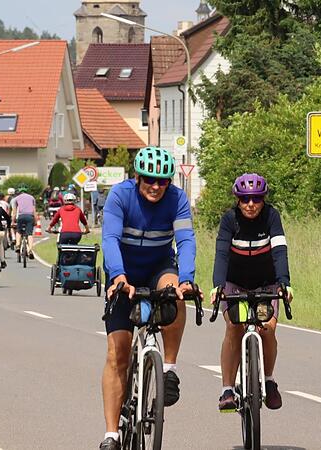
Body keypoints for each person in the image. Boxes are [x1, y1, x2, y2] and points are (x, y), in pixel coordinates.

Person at [99, 147, 196, 450]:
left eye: (163, 181)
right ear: (138, 177)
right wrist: (118, 276)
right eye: (150, 180)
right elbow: (110, 239)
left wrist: (187, 278)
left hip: (158, 267)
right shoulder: (120, 196)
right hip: (123, 272)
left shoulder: (177, 199)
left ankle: (169, 369)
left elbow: (186, 239)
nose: (156, 186)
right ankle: (112, 434)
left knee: (175, 294)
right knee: (118, 355)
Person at [212, 173, 292, 413]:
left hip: (266, 283)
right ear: (237, 200)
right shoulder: (229, 219)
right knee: (234, 328)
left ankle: (269, 380)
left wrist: (284, 283)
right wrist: (218, 286)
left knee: (267, 329)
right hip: (234, 283)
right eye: (245, 199)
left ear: (263, 199)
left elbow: (279, 251)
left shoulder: (271, 216)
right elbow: (222, 254)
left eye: (256, 199)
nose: (251, 204)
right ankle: (227, 389)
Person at [13, 187, 38, 259]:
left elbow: (14, 212)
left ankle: (17, 245)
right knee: (29, 234)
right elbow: (34, 211)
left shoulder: (16, 198)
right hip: (30, 217)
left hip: (21, 216)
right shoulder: (32, 198)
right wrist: (35, 220)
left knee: (18, 231)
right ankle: (30, 250)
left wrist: (13, 221)